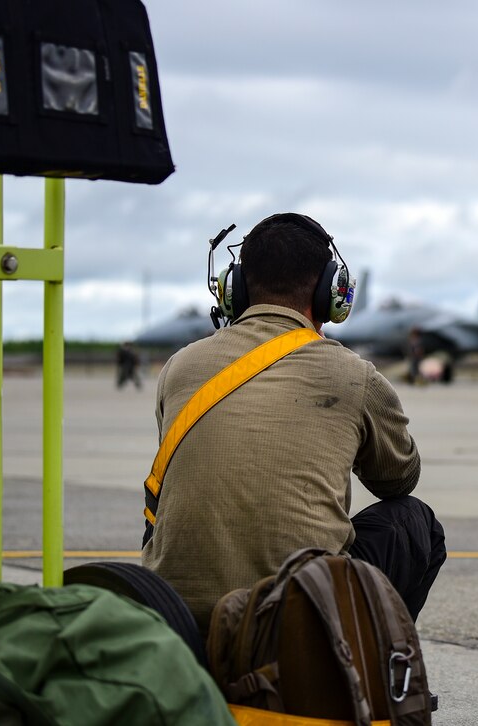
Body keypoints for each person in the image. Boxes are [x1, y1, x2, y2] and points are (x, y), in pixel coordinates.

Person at [141, 213, 445, 633]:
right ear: (329, 293)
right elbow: (398, 481)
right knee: (414, 520)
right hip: (296, 622)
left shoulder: (180, 367)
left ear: (236, 289)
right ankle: (366, 672)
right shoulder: (354, 374)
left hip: (177, 619)